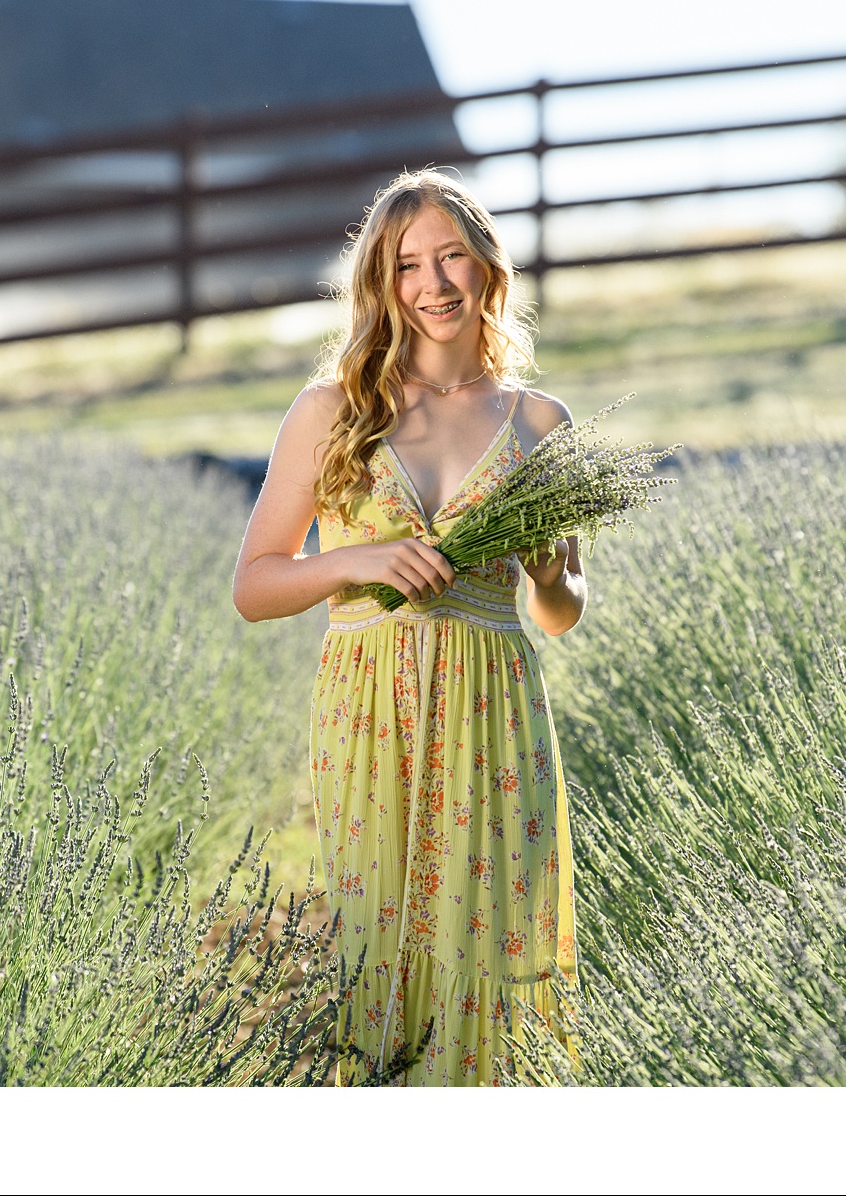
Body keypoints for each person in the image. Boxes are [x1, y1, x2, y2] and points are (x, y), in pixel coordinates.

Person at [232, 170, 584, 1085]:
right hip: (370, 715)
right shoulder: (332, 411)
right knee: (384, 954)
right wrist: (357, 561)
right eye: (407, 266)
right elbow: (255, 585)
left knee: (488, 947)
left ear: (487, 268)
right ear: (383, 287)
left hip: (493, 711)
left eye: (451, 257)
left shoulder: (541, 423)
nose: (433, 284)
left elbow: (560, 611)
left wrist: (549, 569)